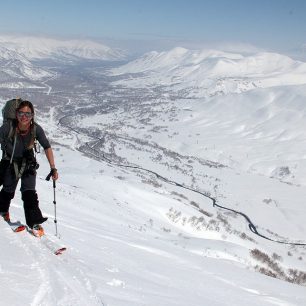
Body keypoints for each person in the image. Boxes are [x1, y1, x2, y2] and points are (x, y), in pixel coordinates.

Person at [0, 100, 58, 236]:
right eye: (21, 113)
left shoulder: (35, 129)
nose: (24, 117)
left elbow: (47, 146)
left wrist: (53, 167)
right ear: (16, 114)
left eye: (28, 114)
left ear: (32, 115)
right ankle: (2, 211)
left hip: (28, 164)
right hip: (10, 163)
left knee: (29, 192)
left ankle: (34, 222)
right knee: (8, 190)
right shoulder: (8, 127)